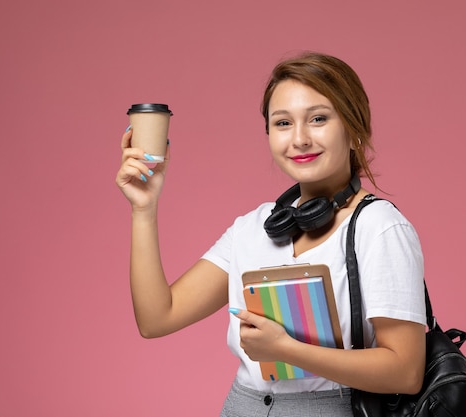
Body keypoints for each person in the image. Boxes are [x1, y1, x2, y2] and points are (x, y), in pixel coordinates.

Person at [115, 52, 426, 416]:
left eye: (319, 119)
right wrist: (144, 208)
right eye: (282, 123)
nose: (299, 139)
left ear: (354, 129)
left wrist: (286, 349)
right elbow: (157, 319)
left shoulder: (380, 228)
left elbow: (406, 372)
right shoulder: (252, 228)